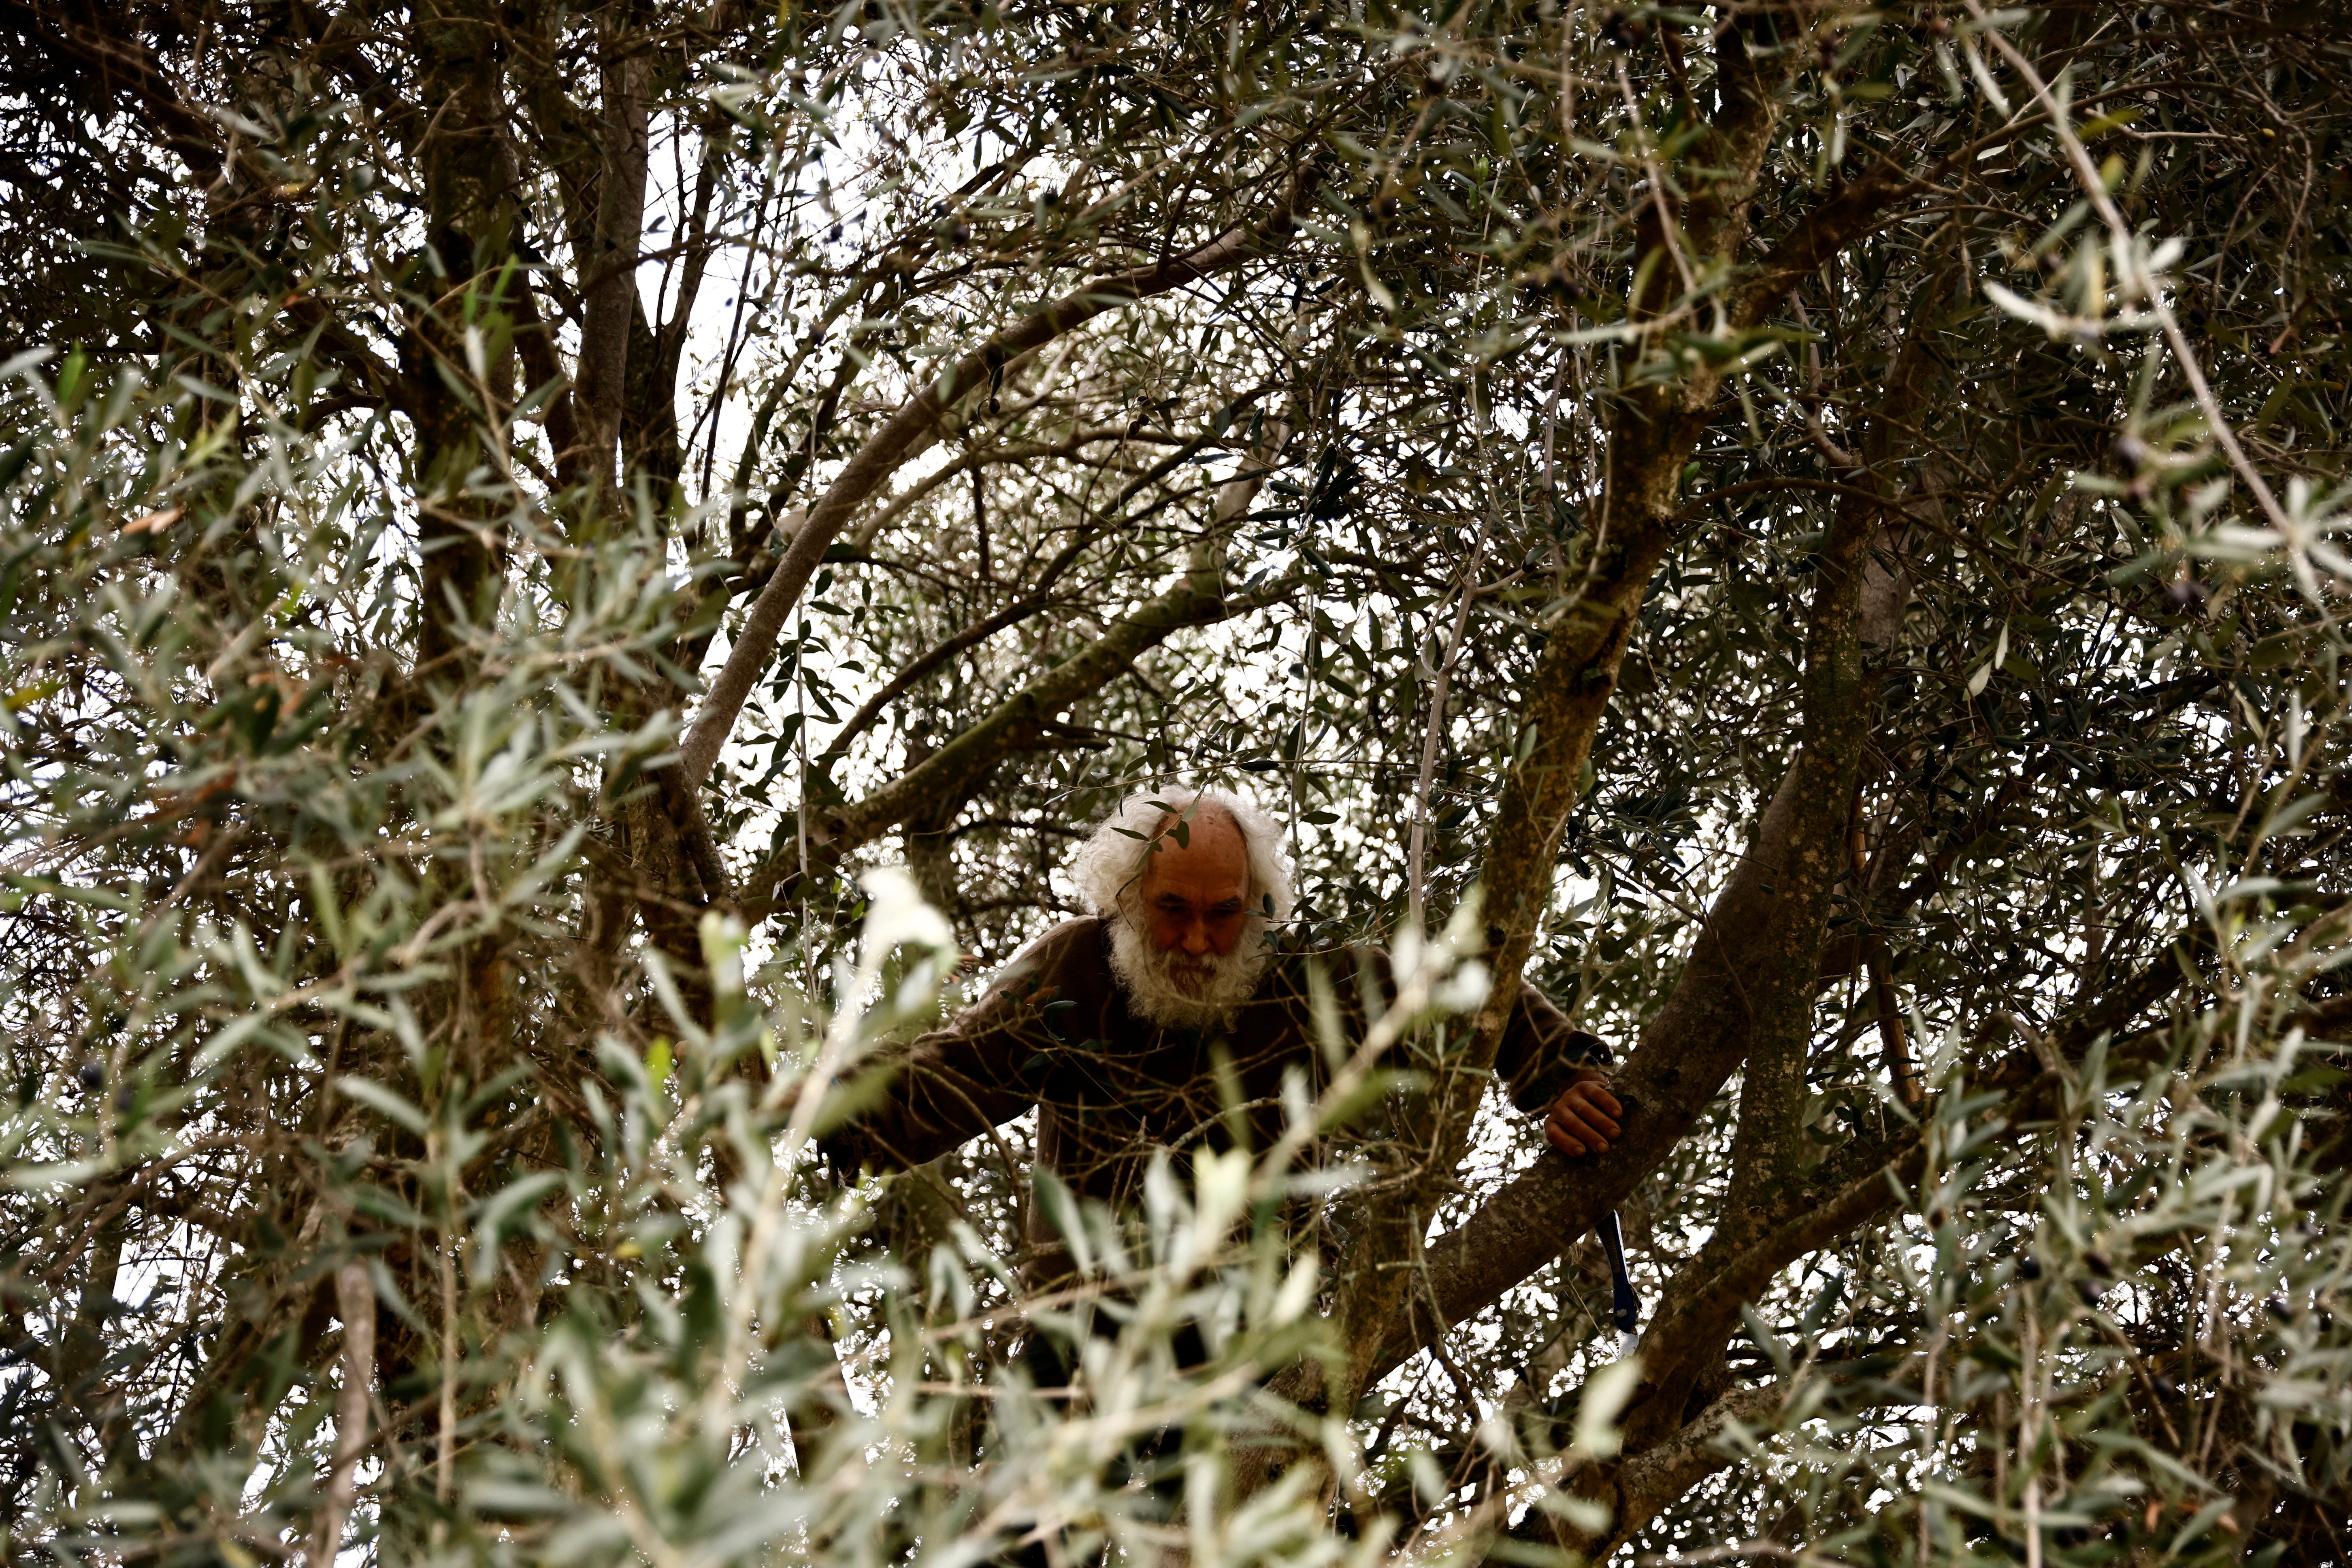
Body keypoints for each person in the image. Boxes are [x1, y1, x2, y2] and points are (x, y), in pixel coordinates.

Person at [822, 784, 1624, 1282]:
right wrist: (815, 1111)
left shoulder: (1323, 989)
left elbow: (1471, 995)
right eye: (1174, 910)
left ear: (1258, 906)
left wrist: (1569, 1081)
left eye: (1223, 913)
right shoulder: (1068, 976)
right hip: (1081, 1348)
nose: (1200, 942)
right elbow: (947, 1077)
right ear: (1129, 899)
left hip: (1262, 1352)